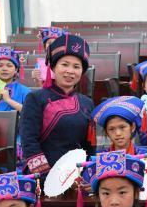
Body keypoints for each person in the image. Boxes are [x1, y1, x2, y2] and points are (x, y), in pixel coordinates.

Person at [20, 34, 94, 175]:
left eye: (76, 66)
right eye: (64, 64)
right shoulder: (35, 98)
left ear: (82, 71)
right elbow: (29, 142)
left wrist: (87, 172)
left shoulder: (87, 103)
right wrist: (46, 175)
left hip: (75, 172)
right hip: (43, 172)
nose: (70, 71)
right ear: (53, 67)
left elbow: (89, 146)